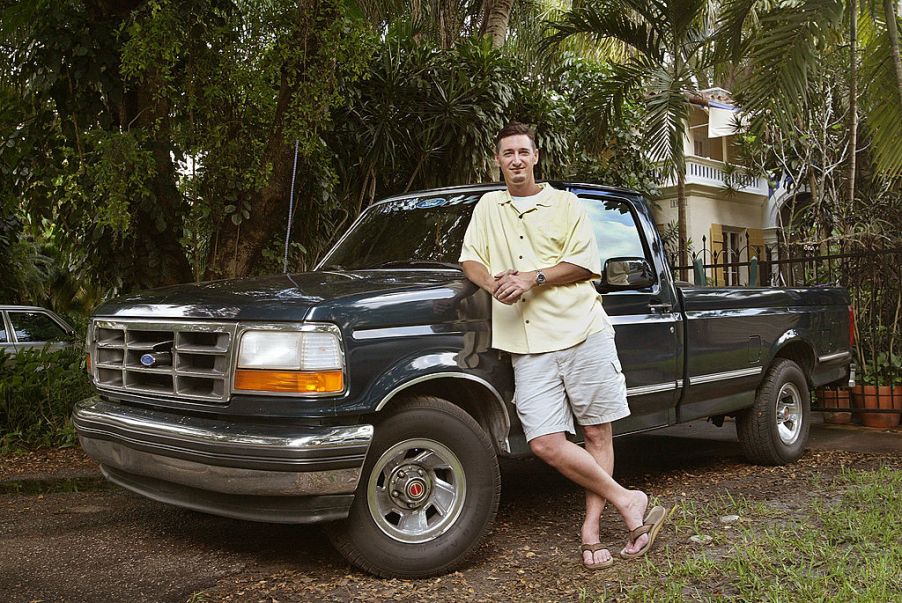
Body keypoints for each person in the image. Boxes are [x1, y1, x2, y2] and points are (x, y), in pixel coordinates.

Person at [458, 122, 666, 570]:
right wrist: (493, 284)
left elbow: (583, 264)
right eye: (507, 153)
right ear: (498, 160)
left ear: (536, 157)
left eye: (522, 152)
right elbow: (470, 258)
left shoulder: (565, 204)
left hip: (581, 330)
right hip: (527, 340)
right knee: (546, 442)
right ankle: (629, 501)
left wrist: (530, 277)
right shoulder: (488, 207)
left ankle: (592, 529)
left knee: (596, 432)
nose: (515, 159)